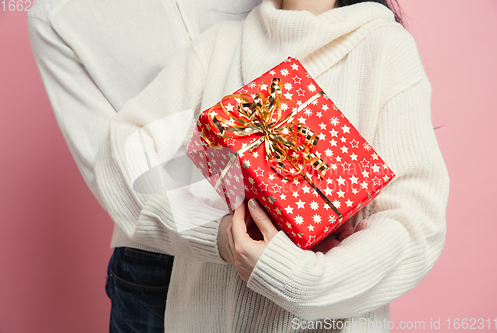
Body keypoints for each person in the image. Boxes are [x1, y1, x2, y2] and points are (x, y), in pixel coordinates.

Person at [93, 0, 450, 331]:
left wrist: (300, 278)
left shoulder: (386, 48)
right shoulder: (217, 46)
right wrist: (220, 237)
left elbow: (415, 222)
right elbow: (123, 156)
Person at [27, 0, 262, 332]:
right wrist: (227, 226)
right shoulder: (56, 13)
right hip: (161, 259)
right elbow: (111, 167)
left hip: (294, 231)